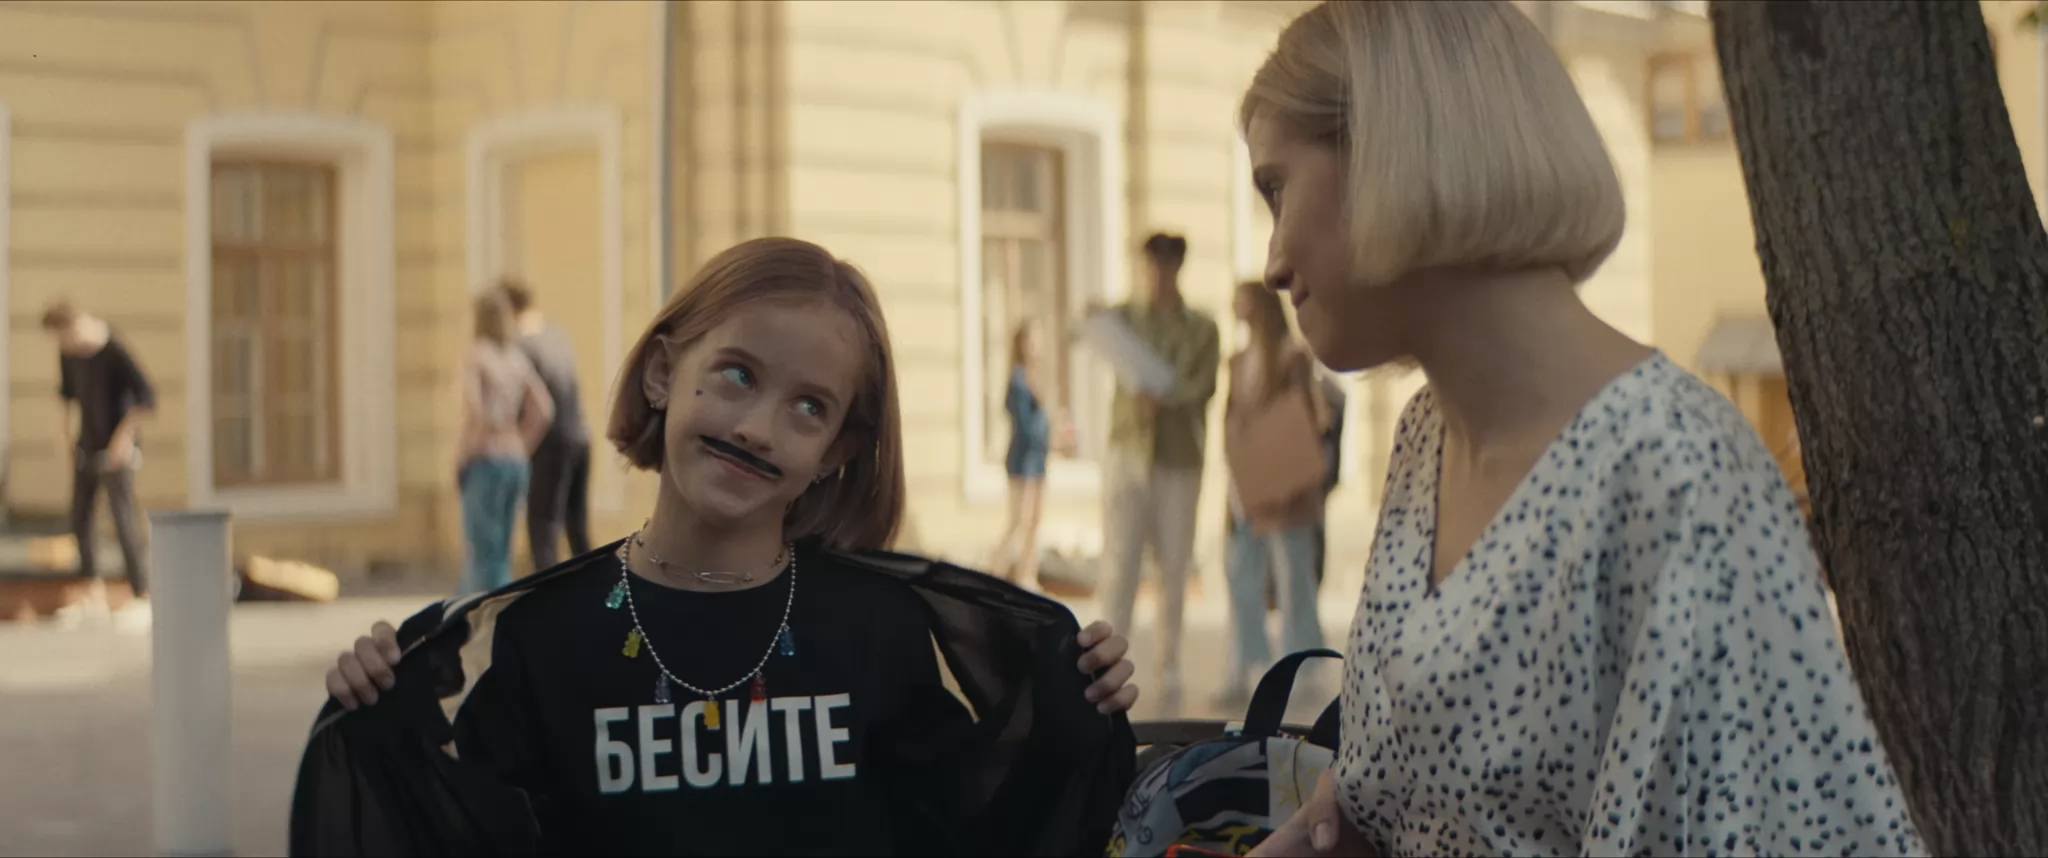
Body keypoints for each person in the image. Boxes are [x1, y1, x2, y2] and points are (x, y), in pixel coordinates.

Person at [1239, 3, 1923, 856]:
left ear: (1390, 150)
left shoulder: (1676, 475)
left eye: (1277, 189)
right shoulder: (1426, 437)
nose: (1272, 263)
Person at [297, 238, 1143, 856]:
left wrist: (1072, 708)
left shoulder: (877, 629)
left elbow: (973, 825)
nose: (757, 428)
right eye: (737, 374)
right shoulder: (544, 638)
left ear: (837, 452)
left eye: (809, 407)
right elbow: (466, 830)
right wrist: (381, 717)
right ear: (664, 372)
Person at [1098, 232, 1221, 716]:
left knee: (1173, 565)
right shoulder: (1125, 320)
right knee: (1121, 562)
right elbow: (1089, 334)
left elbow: (1204, 385)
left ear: (1177, 268)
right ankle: (1109, 662)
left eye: (1166, 266)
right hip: (1129, 454)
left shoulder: (1201, 328)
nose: (1158, 275)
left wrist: (1165, 397)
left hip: (1178, 459)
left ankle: (1169, 665)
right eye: (1151, 265)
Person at [1219, 281, 1328, 706]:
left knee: (1292, 576)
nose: (1239, 310)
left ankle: (1299, 665)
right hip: (1247, 486)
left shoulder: (1291, 357)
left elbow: (1302, 418)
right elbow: (1233, 419)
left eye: (1245, 303)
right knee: (1240, 573)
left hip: (1288, 488)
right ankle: (1246, 662)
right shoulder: (1238, 361)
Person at [43, 301, 154, 606]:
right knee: (80, 515)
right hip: (87, 445)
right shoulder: (69, 354)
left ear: (75, 325)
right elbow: (67, 396)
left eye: (63, 337)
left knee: (122, 518)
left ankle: (141, 588)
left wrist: (124, 437)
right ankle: (91, 585)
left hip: (118, 450)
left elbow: (146, 397)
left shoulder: (113, 350)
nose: (63, 345)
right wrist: (66, 435)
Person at [457, 290, 554, 596]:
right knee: (502, 549)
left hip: (486, 458)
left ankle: (480, 613)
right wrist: (523, 444)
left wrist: (464, 454)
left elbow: (474, 410)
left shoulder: (478, 355)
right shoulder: (516, 359)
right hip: (516, 460)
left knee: (481, 550)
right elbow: (544, 410)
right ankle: (500, 606)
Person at [499, 279, 595, 571]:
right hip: (580, 435)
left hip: (550, 442)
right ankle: (596, 589)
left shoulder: (521, 346)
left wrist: (521, 445)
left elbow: (524, 404)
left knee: (542, 528)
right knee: (577, 527)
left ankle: (548, 594)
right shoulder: (556, 336)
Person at [992, 319, 1068, 591]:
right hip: (1022, 458)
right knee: (1018, 520)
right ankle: (995, 572)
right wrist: (1048, 437)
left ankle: (1027, 575)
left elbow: (1043, 418)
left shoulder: (1037, 378)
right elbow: (1023, 423)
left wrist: (1055, 433)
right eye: (1032, 339)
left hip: (1038, 459)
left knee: (1034, 521)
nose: (1036, 345)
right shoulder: (1018, 380)